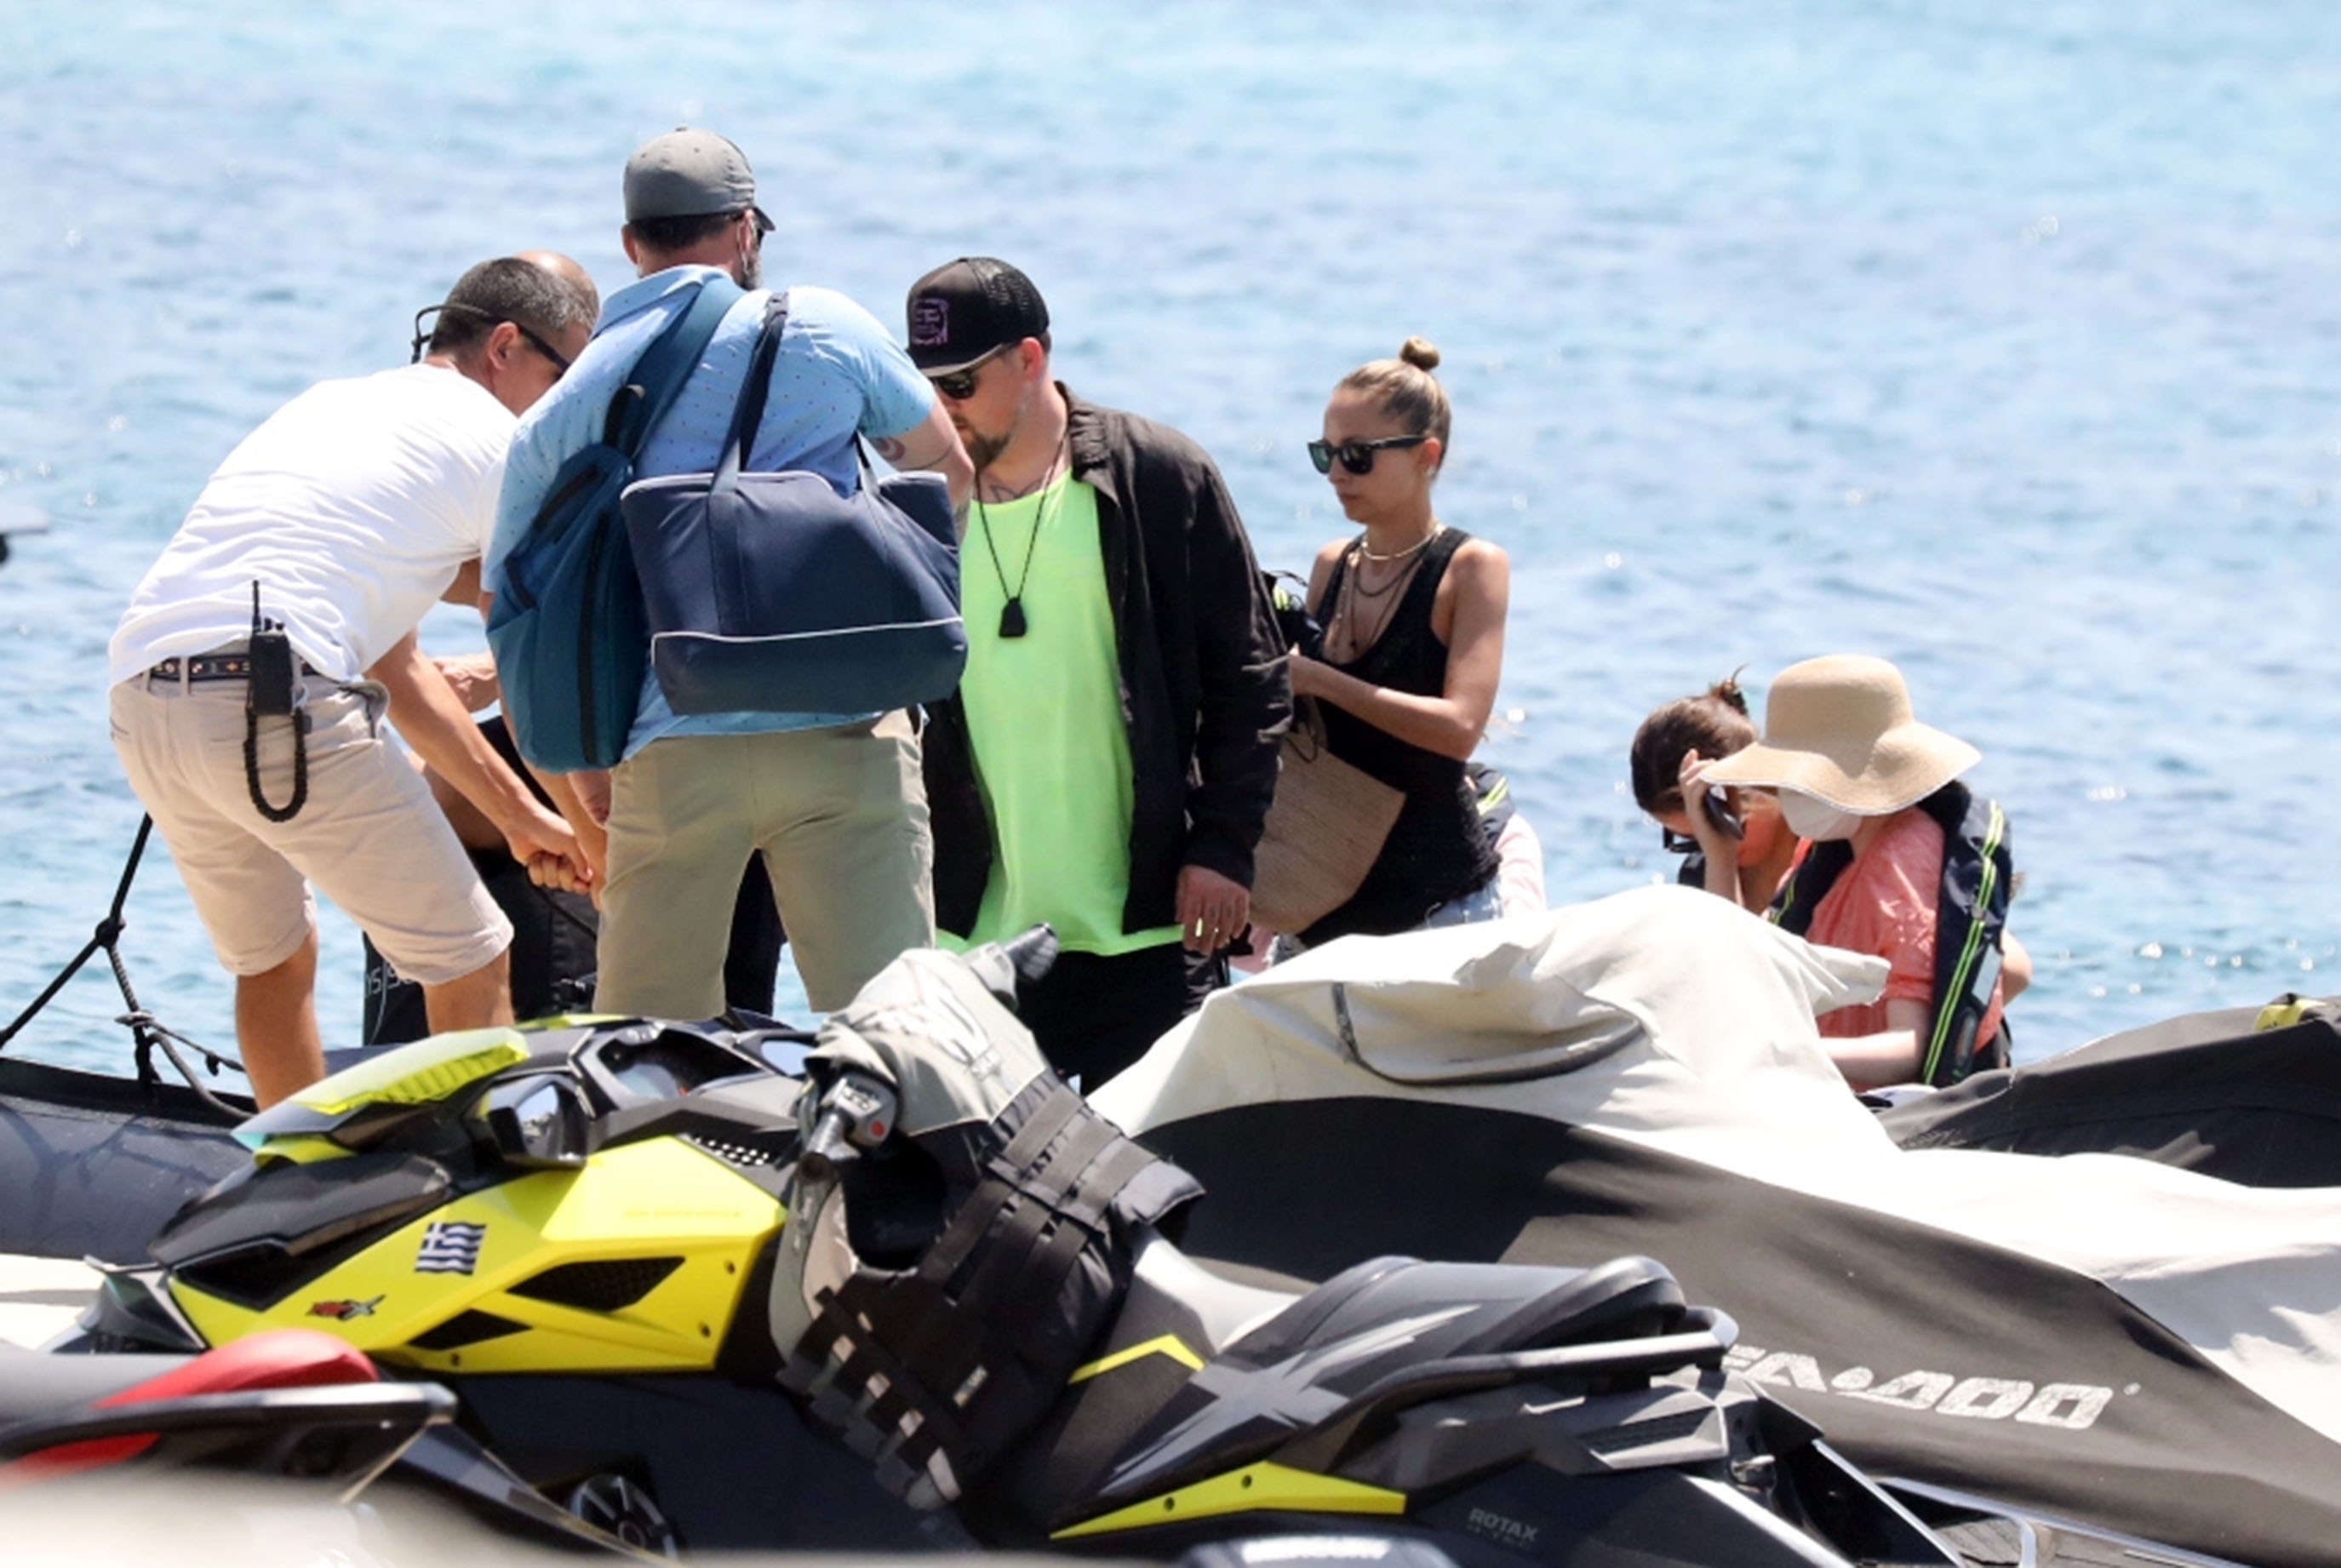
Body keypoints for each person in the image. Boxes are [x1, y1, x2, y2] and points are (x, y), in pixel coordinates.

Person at [489, 129, 971, 1021]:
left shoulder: (581, 386)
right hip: (848, 729)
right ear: (745, 230)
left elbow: (513, 597)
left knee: (644, 1044)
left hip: (672, 741)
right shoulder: (825, 325)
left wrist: (580, 765)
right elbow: (946, 477)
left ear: (632, 244)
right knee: (896, 1032)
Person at [107, 255, 597, 1106]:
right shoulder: (496, 443)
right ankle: (467, 1214)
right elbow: (529, 644)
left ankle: (294, 1196)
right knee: (473, 954)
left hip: (144, 694)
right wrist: (597, 835)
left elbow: (393, 662)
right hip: (273, 694)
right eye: (564, 377)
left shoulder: (331, 405)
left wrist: (520, 819)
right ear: (507, 347)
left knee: (274, 958)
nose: (559, 406)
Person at [903, 256, 1288, 1084]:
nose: (942, 410)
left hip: (1144, 924)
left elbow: (1250, 677)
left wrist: (1223, 848)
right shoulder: (916, 505)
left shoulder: (1153, 475)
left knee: (1152, 1195)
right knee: (978, 1203)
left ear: (1029, 358)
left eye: (961, 384)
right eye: (924, 386)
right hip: (976, 935)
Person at [1697, 654, 2030, 1090]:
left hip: (1883, 1124)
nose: (1782, 794)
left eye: (1794, 781)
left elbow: (1907, 1051)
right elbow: (1746, 968)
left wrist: (1773, 1049)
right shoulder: (1835, 849)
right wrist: (1719, 854)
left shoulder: (1901, 869)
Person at [1282, 340, 1510, 950]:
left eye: (1357, 456)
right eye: (1325, 454)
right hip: (1320, 902)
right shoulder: (1333, 564)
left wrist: (1321, 680)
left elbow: (1461, 727)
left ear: (1425, 456)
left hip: (1438, 910)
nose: (1335, 473)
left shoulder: (1470, 568)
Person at [1629, 675, 1800, 911]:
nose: (1714, 843)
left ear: (1761, 784)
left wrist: (1722, 862)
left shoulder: (1826, 851)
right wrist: (1721, 864)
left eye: (1721, 822)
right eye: (1692, 841)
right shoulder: (1701, 876)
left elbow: (1737, 946)